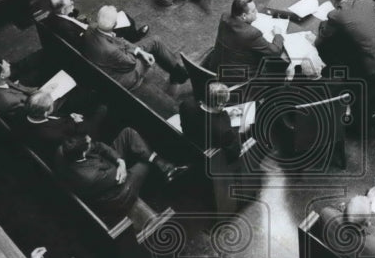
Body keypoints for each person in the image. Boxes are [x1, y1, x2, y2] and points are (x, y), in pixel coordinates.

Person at [315, 0, 375, 136]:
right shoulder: (368, 2)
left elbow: (320, 42)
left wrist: (323, 26)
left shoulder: (335, 15)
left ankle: (361, 129)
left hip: (372, 67)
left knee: (359, 96)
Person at [54, 131, 187, 222]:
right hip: (118, 193)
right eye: (88, 143)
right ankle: (157, 182)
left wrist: (120, 161)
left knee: (128, 133)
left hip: (107, 168)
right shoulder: (89, 177)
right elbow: (119, 178)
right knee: (145, 163)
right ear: (83, 153)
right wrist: (121, 165)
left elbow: (99, 146)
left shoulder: (65, 150)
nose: (91, 141)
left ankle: (163, 165)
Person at [80, 5, 189, 92]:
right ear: (115, 25)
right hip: (122, 77)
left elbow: (120, 40)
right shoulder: (111, 50)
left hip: (108, 62)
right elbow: (131, 63)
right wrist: (139, 53)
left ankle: (178, 72)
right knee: (154, 46)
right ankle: (180, 75)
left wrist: (139, 50)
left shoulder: (92, 28)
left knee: (155, 41)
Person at [317, 188, 375, 258]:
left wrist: (365, 201)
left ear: (344, 208)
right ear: (368, 224)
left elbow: (336, 207)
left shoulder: (326, 213)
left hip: (333, 256)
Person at [212, 0, 286, 79]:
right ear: (244, 16)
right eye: (253, 11)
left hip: (217, 67)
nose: (257, 12)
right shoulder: (251, 34)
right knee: (278, 64)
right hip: (238, 77)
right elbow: (275, 52)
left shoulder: (224, 17)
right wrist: (278, 35)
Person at [47, 0, 148, 45]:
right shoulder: (65, 27)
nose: (73, 4)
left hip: (87, 30)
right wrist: (102, 32)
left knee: (117, 16)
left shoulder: (53, 16)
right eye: (71, 4)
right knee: (126, 21)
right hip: (94, 38)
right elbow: (82, 42)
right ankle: (135, 38)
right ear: (63, 9)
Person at [178, 81, 243, 162]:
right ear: (220, 104)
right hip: (205, 154)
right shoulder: (224, 131)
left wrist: (223, 116)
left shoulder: (186, 105)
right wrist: (237, 129)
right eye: (225, 102)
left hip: (188, 140)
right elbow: (234, 153)